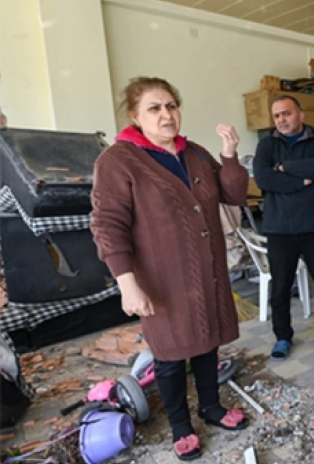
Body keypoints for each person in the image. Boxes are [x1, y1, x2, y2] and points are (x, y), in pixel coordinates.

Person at [91, 77, 249, 460]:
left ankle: (210, 408)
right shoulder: (118, 160)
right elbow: (107, 224)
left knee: (208, 342)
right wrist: (128, 284)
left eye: (171, 106)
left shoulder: (192, 152)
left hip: (206, 274)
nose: (166, 115)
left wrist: (229, 153)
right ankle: (181, 425)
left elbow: (234, 193)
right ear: (135, 116)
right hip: (163, 281)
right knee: (171, 355)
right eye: (154, 108)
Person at [253, 95, 314, 362]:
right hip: (279, 229)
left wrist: (284, 168)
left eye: (287, 113)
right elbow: (263, 178)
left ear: (301, 115)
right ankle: (283, 337)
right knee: (280, 287)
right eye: (277, 115)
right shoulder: (267, 145)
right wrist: (302, 181)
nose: (282, 119)